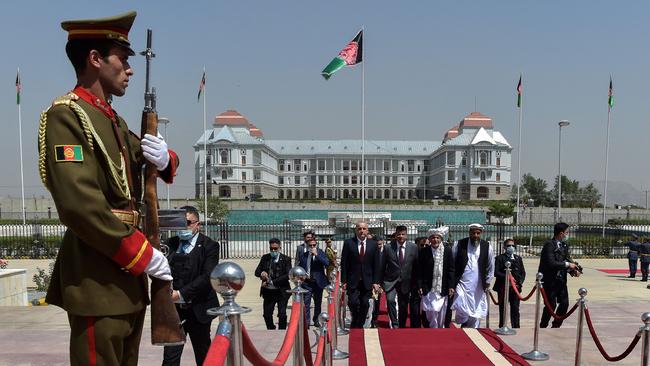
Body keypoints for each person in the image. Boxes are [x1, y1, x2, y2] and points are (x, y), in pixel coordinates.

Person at [39, 11, 180, 366]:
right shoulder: (67, 116)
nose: (129, 69)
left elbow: (144, 160)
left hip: (127, 280)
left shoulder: (111, 119)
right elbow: (80, 206)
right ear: (95, 59)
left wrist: (164, 159)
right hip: (97, 278)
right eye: (123, 58)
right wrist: (143, 254)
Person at [163, 207, 220, 366]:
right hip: (175, 312)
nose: (183, 227)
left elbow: (207, 276)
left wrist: (180, 294)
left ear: (197, 224)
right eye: (180, 223)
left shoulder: (210, 246)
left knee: (203, 354)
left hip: (199, 310)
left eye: (187, 223)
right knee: (170, 358)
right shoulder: (170, 244)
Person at [451, 223, 495, 328]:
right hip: (462, 281)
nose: (475, 235)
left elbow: (491, 265)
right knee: (460, 300)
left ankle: (473, 327)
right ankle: (464, 321)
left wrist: (488, 280)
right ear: (469, 233)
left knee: (476, 305)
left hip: (478, 283)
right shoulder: (459, 244)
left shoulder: (487, 246)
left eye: (478, 233)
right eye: (473, 233)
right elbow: (452, 262)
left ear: (481, 233)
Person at [538, 222, 581, 328]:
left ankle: (556, 325)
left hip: (561, 280)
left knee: (564, 303)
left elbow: (566, 260)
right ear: (561, 233)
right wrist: (568, 265)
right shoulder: (549, 245)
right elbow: (551, 263)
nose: (568, 234)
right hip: (549, 281)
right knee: (550, 305)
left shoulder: (564, 245)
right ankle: (543, 326)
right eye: (567, 232)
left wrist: (573, 270)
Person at [340, 221, 381, 328]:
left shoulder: (373, 245)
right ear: (356, 230)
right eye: (359, 229)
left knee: (365, 303)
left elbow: (376, 265)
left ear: (367, 230)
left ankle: (359, 323)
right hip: (352, 279)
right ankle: (356, 319)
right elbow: (344, 263)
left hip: (367, 280)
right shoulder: (349, 243)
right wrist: (343, 281)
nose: (361, 231)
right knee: (353, 302)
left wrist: (376, 282)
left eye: (364, 229)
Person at [380, 225, 420, 328]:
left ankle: (401, 325)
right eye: (399, 234)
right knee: (390, 300)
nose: (401, 236)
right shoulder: (388, 247)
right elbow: (382, 265)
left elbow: (416, 266)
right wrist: (379, 282)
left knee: (403, 305)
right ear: (396, 234)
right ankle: (394, 323)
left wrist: (417, 283)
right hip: (391, 281)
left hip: (406, 281)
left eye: (403, 234)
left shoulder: (413, 247)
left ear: (406, 235)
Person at [419, 227, 455, 328]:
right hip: (428, 287)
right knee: (430, 310)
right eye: (433, 238)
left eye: (438, 237)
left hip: (442, 287)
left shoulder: (447, 251)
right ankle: (431, 327)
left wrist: (451, 286)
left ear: (441, 239)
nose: (435, 240)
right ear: (429, 240)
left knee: (440, 310)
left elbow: (451, 270)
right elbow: (420, 270)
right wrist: (420, 285)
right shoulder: (424, 252)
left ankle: (440, 328)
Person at [254, 238, 292, 330]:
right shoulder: (265, 258)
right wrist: (262, 273)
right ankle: (271, 329)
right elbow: (257, 272)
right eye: (272, 249)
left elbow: (288, 275)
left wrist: (272, 281)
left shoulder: (286, 259)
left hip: (281, 291)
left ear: (280, 248)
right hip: (268, 291)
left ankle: (282, 331)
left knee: (282, 314)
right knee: (267, 314)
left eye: (275, 248)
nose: (273, 251)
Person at [493, 238, 525, 329]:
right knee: (503, 308)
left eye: (512, 245)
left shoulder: (518, 258)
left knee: (515, 309)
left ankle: (516, 326)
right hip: (503, 287)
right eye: (508, 245)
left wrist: (519, 283)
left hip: (515, 288)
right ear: (504, 247)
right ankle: (502, 326)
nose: (511, 247)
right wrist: (507, 277)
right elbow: (496, 272)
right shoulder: (499, 258)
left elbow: (523, 273)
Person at [298, 238, 329, 327]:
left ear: (316, 245)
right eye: (310, 245)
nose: (312, 247)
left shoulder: (321, 253)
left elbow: (326, 263)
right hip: (307, 283)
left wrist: (317, 255)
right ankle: (307, 322)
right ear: (307, 246)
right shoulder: (304, 255)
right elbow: (300, 266)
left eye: (314, 245)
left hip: (318, 282)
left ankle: (316, 320)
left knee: (317, 303)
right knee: (306, 303)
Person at [370, 236, 386, 328]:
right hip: (371, 281)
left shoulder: (385, 253)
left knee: (377, 302)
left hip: (380, 282)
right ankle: (370, 319)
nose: (379, 246)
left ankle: (375, 320)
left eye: (380, 244)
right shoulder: (370, 252)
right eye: (377, 244)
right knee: (370, 302)